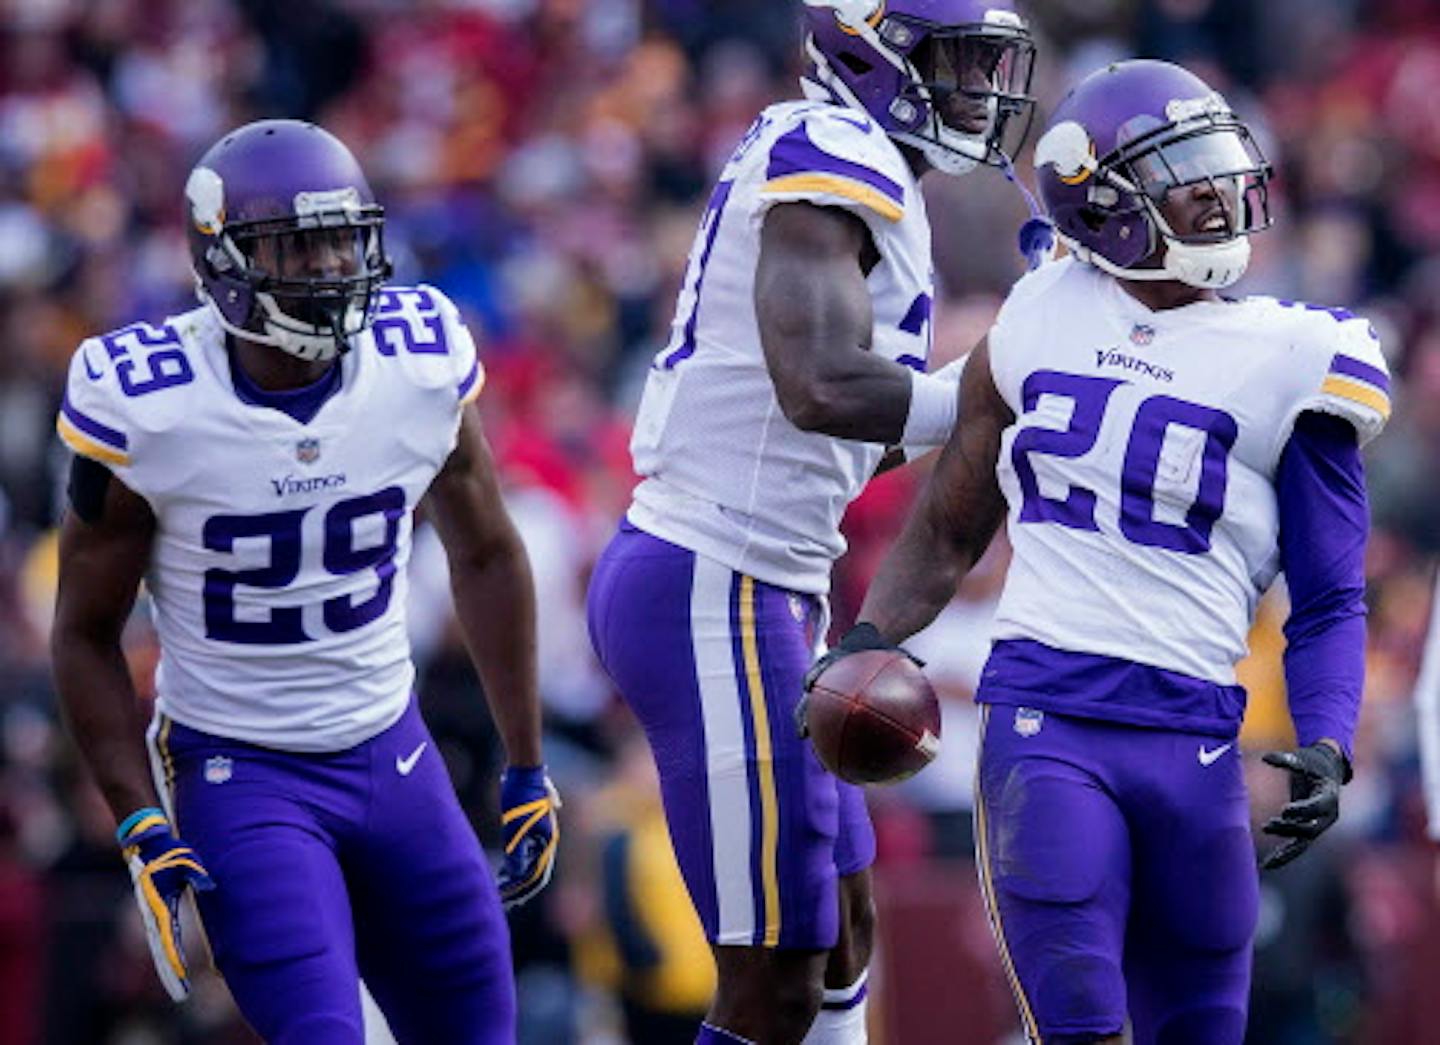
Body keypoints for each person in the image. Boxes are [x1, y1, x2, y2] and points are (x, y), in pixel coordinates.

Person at [810, 59, 1389, 1044]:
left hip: (1198, 734)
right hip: (1048, 721)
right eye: (1183, 173)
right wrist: (865, 635)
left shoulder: (1301, 354)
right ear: (1107, 203)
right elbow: (952, 524)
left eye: (1217, 163)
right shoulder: (1040, 311)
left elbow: (1331, 595)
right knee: (1080, 1025)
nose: (1219, 193)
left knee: (1202, 1027)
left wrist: (1329, 737)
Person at [51, 119, 559, 1044]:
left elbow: (485, 551)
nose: (329, 267)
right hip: (242, 772)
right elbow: (85, 630)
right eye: (298, 244)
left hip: (394, 751)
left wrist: (526, 762)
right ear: (223, 261)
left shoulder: (418, 361)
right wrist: (140, 821)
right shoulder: (148, 405)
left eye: (343, 238)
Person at [586, 3, 1037, 1042]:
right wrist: (991, 386)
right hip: (716, 578)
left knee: (840, 929)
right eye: (956, 64)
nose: (979, 90)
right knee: (775, 977)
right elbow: (822, 386)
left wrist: (975, 399)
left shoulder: (854, 157)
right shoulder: (832, 145)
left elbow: (853, 434)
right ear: (870, 52)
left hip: (764, 580)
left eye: (986, 66)